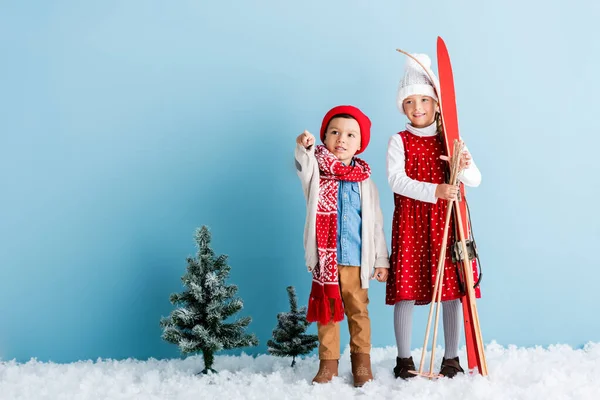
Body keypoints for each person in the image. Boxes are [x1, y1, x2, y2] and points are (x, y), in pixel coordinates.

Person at [386, 54, 482, 379]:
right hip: (411, 224)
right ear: (403, 107)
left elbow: (475, 180)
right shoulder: (398, 141)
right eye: (410, 101)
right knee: (406, 289)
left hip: (446, 223)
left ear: (437, 104)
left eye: (425, 99)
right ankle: (404, 359)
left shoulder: (450, 140)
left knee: (450, 289)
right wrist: (434, 190)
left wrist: (464, 165)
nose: (418, 107)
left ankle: (451, 358)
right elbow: (396, 180)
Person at [294, 105, 389, 387]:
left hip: (357, 261)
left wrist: (381, 260)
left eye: (350, 135)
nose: (341, 139)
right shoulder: (317, 175)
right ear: (324, 137)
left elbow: (375, 226)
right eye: (334, 132)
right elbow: (303, 164)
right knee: (328, 314)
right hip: (327, 261)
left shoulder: (366, 183)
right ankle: (328, 363)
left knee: (358, 311)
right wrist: (303, 147)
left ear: (360, 144)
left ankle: (361, 362)